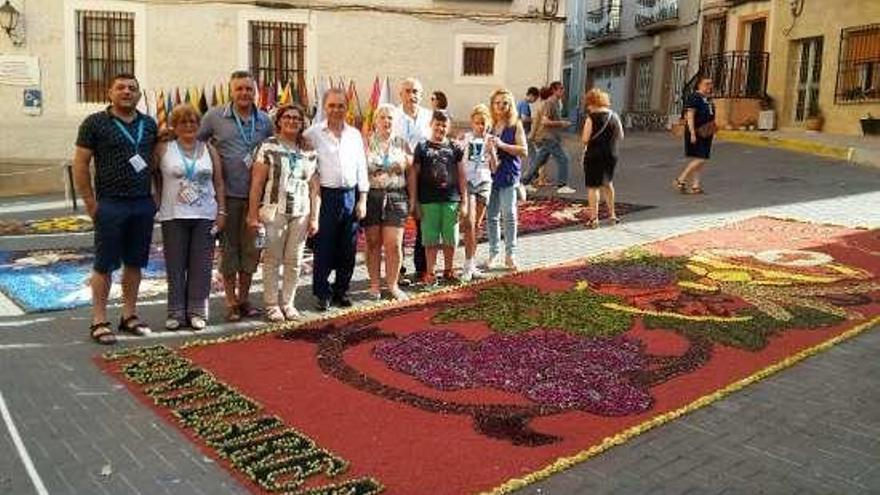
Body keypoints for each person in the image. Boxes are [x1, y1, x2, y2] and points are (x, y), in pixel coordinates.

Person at [73, 73, 159, 345]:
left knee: (135, 262)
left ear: (139, 95)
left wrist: (155, 198)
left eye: (132, 88)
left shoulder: (149, 124)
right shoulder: (94, 123)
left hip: (142, 203)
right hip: (110, 204)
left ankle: (129, 315)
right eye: (120, 87)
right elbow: (80, 164)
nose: (126, 92)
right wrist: (90, 203)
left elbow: (156, 160)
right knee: (104, 264)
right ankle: (99, 320)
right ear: (110, 92)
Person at [198, 70, 272, 321]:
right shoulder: (214, 117)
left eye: (249, 89)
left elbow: (276, 147)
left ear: (255, 92)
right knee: (229, 251)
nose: (244, 93)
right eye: (239, 89)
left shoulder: (264, 120)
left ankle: (244, 299)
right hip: (226, 197)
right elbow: (195, 143)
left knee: (251, 251)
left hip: (257, 199)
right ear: (231, 91)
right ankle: (230, 302)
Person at [155, 105, 225, 331]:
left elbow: (219, 182)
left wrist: (221, 211)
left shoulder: (209, 149)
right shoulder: (164, 148)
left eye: (193, 122)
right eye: (183, 122)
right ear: (174, 126)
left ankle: (197, 311)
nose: (188, 126)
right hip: (173, 215)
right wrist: (156, 203)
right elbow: (154, 176)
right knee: (175, 266)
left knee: (201, 266)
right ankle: (175, 312)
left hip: (205, 215)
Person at [246, 104, 319, 321]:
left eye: (297, 118)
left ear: (302, 123)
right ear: (278, 121)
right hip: (274, 210)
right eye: (287, 117)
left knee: (294, 260)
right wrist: (252, 214)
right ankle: (271, 304)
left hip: (301, 211)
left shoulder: (308, 150)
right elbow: (257, 183)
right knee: (272, 259)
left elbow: (314, 187)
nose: (292, 121)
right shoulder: (268, 146)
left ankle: (288, 302)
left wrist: (314, 216)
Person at [305, 88, 369, 311]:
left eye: (341, 105)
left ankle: (342, 289)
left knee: (348, 247)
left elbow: (362, 167)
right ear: (325, 107)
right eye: (332, 105)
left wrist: (362, 199)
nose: (336, 110)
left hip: (350, 195)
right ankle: (322, 292)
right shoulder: (312, 134)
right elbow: (307, 167)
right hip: (325, 196)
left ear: (347, 108)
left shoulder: (354, 134)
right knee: (324, 246)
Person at [362, 104, 413, 301]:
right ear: (375, 121)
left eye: (390, 118)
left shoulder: (402, 143)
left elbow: (411, 171)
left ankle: (392, 284)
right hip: (372, 195)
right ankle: (374, 283)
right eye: (382, 117)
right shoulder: (366, 143)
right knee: (373, 242)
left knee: (394, 244)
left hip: (396, 195)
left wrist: (413, 199)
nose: (386, 121)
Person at [411, 110, 467, 285]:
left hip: (451, 200)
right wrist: (415, 201)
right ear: (431, 124)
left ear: (448, 127)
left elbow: (462, 174)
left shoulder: (454, 148)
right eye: (438, 124)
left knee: (451, 238)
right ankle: (430, 272)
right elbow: (414, 174)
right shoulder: (422, 148)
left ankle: (449, 270)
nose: (441, 128)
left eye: (444, 125)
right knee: (430, 239)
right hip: (428, 201)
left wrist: (464, 201)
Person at [483, 89, 528, 272]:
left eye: (505, 103)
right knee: (492, 216)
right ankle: (494, 252)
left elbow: (524, 150)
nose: (501, 106)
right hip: (490, 175)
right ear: (492, 105)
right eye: (498, 103)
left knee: (509, 215)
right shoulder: (489, 125)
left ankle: (510, 254)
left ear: (510, 106)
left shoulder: (515, 125)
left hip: (508, 174)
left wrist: (502, 145)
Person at [393, 78, 432, 283]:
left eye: (415, 91)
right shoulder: (393, 115)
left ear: (421, 94)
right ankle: (397, 270)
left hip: (425, 177)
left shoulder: (429, 116)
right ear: (400, 94)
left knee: (423, 222)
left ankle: (422, 267)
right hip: (398, 178)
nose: (411, 95)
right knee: (398, 222)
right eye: (407, 91)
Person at [460, 104, 495, 282]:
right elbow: (458, 160)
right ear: (472, 123)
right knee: (469, 223)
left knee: (477, 226)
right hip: (468, 182)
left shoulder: (490, 140)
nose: (480, 126)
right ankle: (467, 265)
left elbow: (495, 167)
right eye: (477, 123)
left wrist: (491, 151)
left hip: (484, 182)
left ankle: (472, 264)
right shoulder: (465, 139)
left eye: (483, 123)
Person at [581, 88, 624, 229]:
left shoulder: (591, 118)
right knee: (608, 183)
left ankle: (594, 219)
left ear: (591, 103)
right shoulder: (614, 116)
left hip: (594, 154)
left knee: (593, 187)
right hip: (611, 154)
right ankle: (612, 215)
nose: (587, 107)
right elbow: (621, 135)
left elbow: (585, 139)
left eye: (588, 104)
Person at [524, 81, 576, 194]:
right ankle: (562, 185)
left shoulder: (556, 102)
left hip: (550, 136)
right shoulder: (550, 103)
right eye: (560, 89)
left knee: (539, 161)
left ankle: (524, 182)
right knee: (564, 158)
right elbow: (545, 121)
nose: (563, 90)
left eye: (563, 88)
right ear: (554, 90)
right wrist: (562, 123)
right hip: (548, 137)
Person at [674, 77, 716, 195]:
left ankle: (695, 185)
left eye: (711, 84)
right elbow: (690, 115)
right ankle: (680, 179)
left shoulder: (707, 99)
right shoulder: (694, 97)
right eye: (707, 84)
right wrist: (692, 133)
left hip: (706, 132)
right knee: (701, 158)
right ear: (699, 85)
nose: (709, 86)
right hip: (696, 132)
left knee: (701, 159)